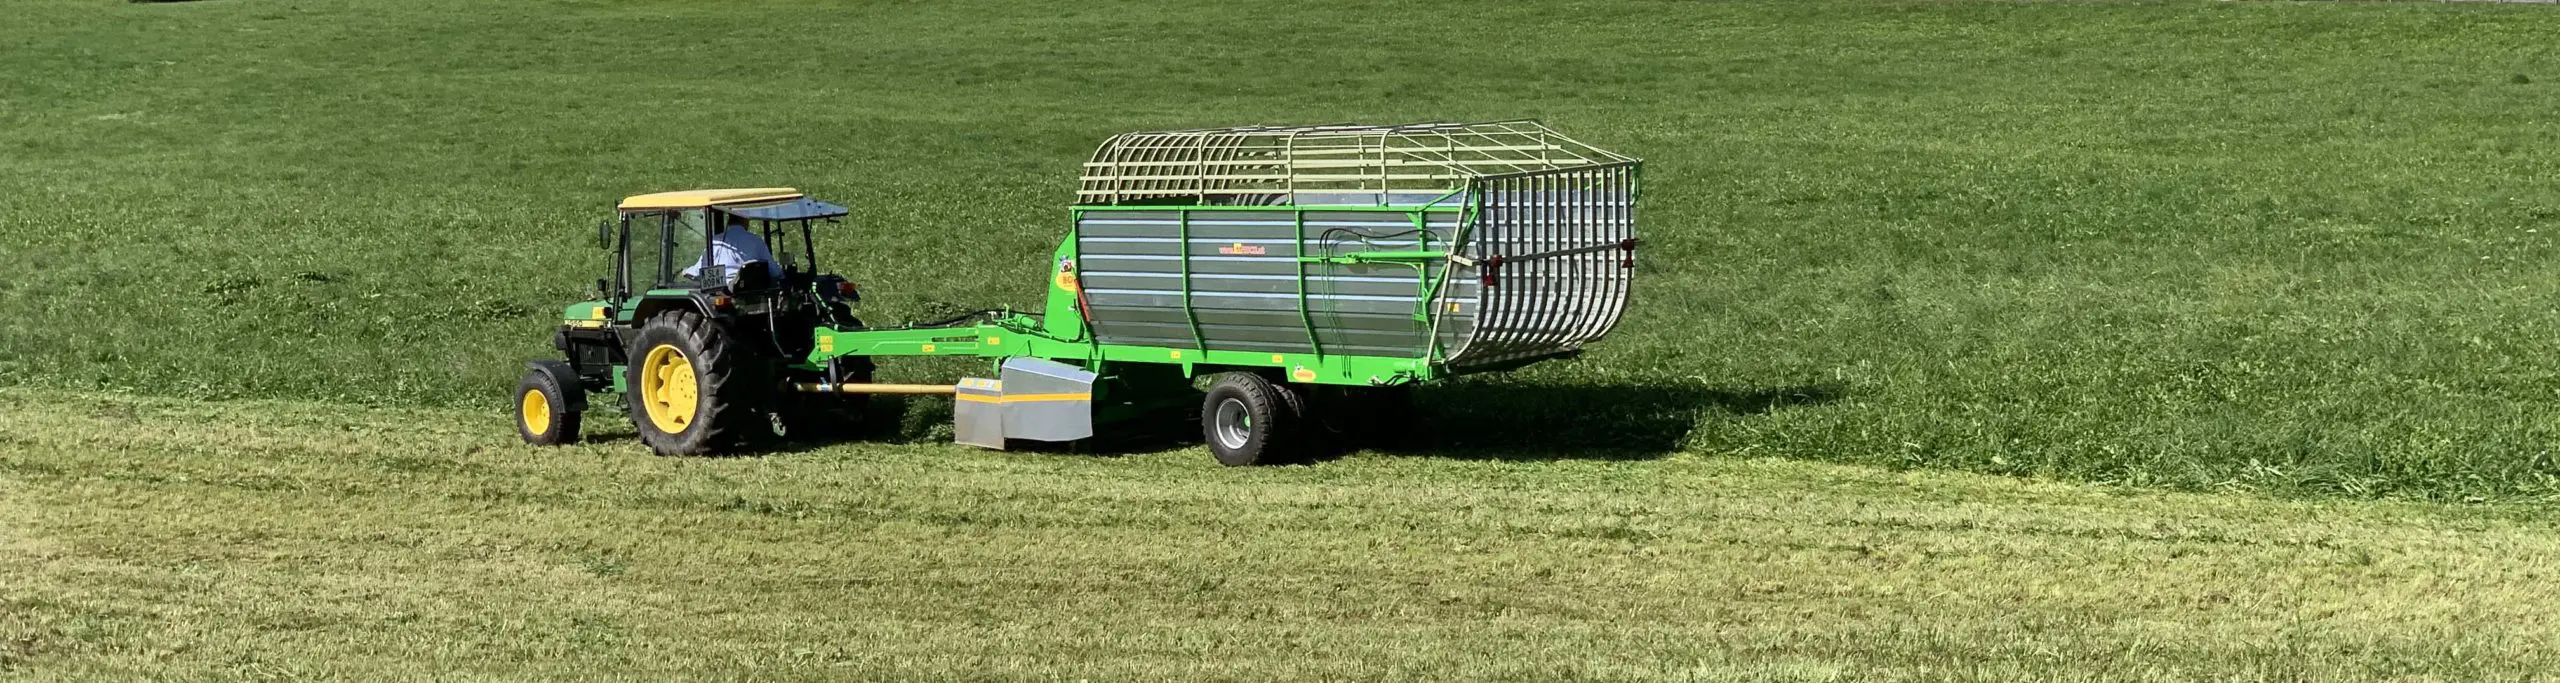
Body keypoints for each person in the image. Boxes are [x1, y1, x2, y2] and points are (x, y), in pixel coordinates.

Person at [682, 213, 784, 282]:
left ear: (729, 219)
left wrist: (686, 271)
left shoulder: (716, 241)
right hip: (753, 291)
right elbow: (774, 272)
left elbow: (699, 270)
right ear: (745, 219)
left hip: (724, 290)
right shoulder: (756, 241)